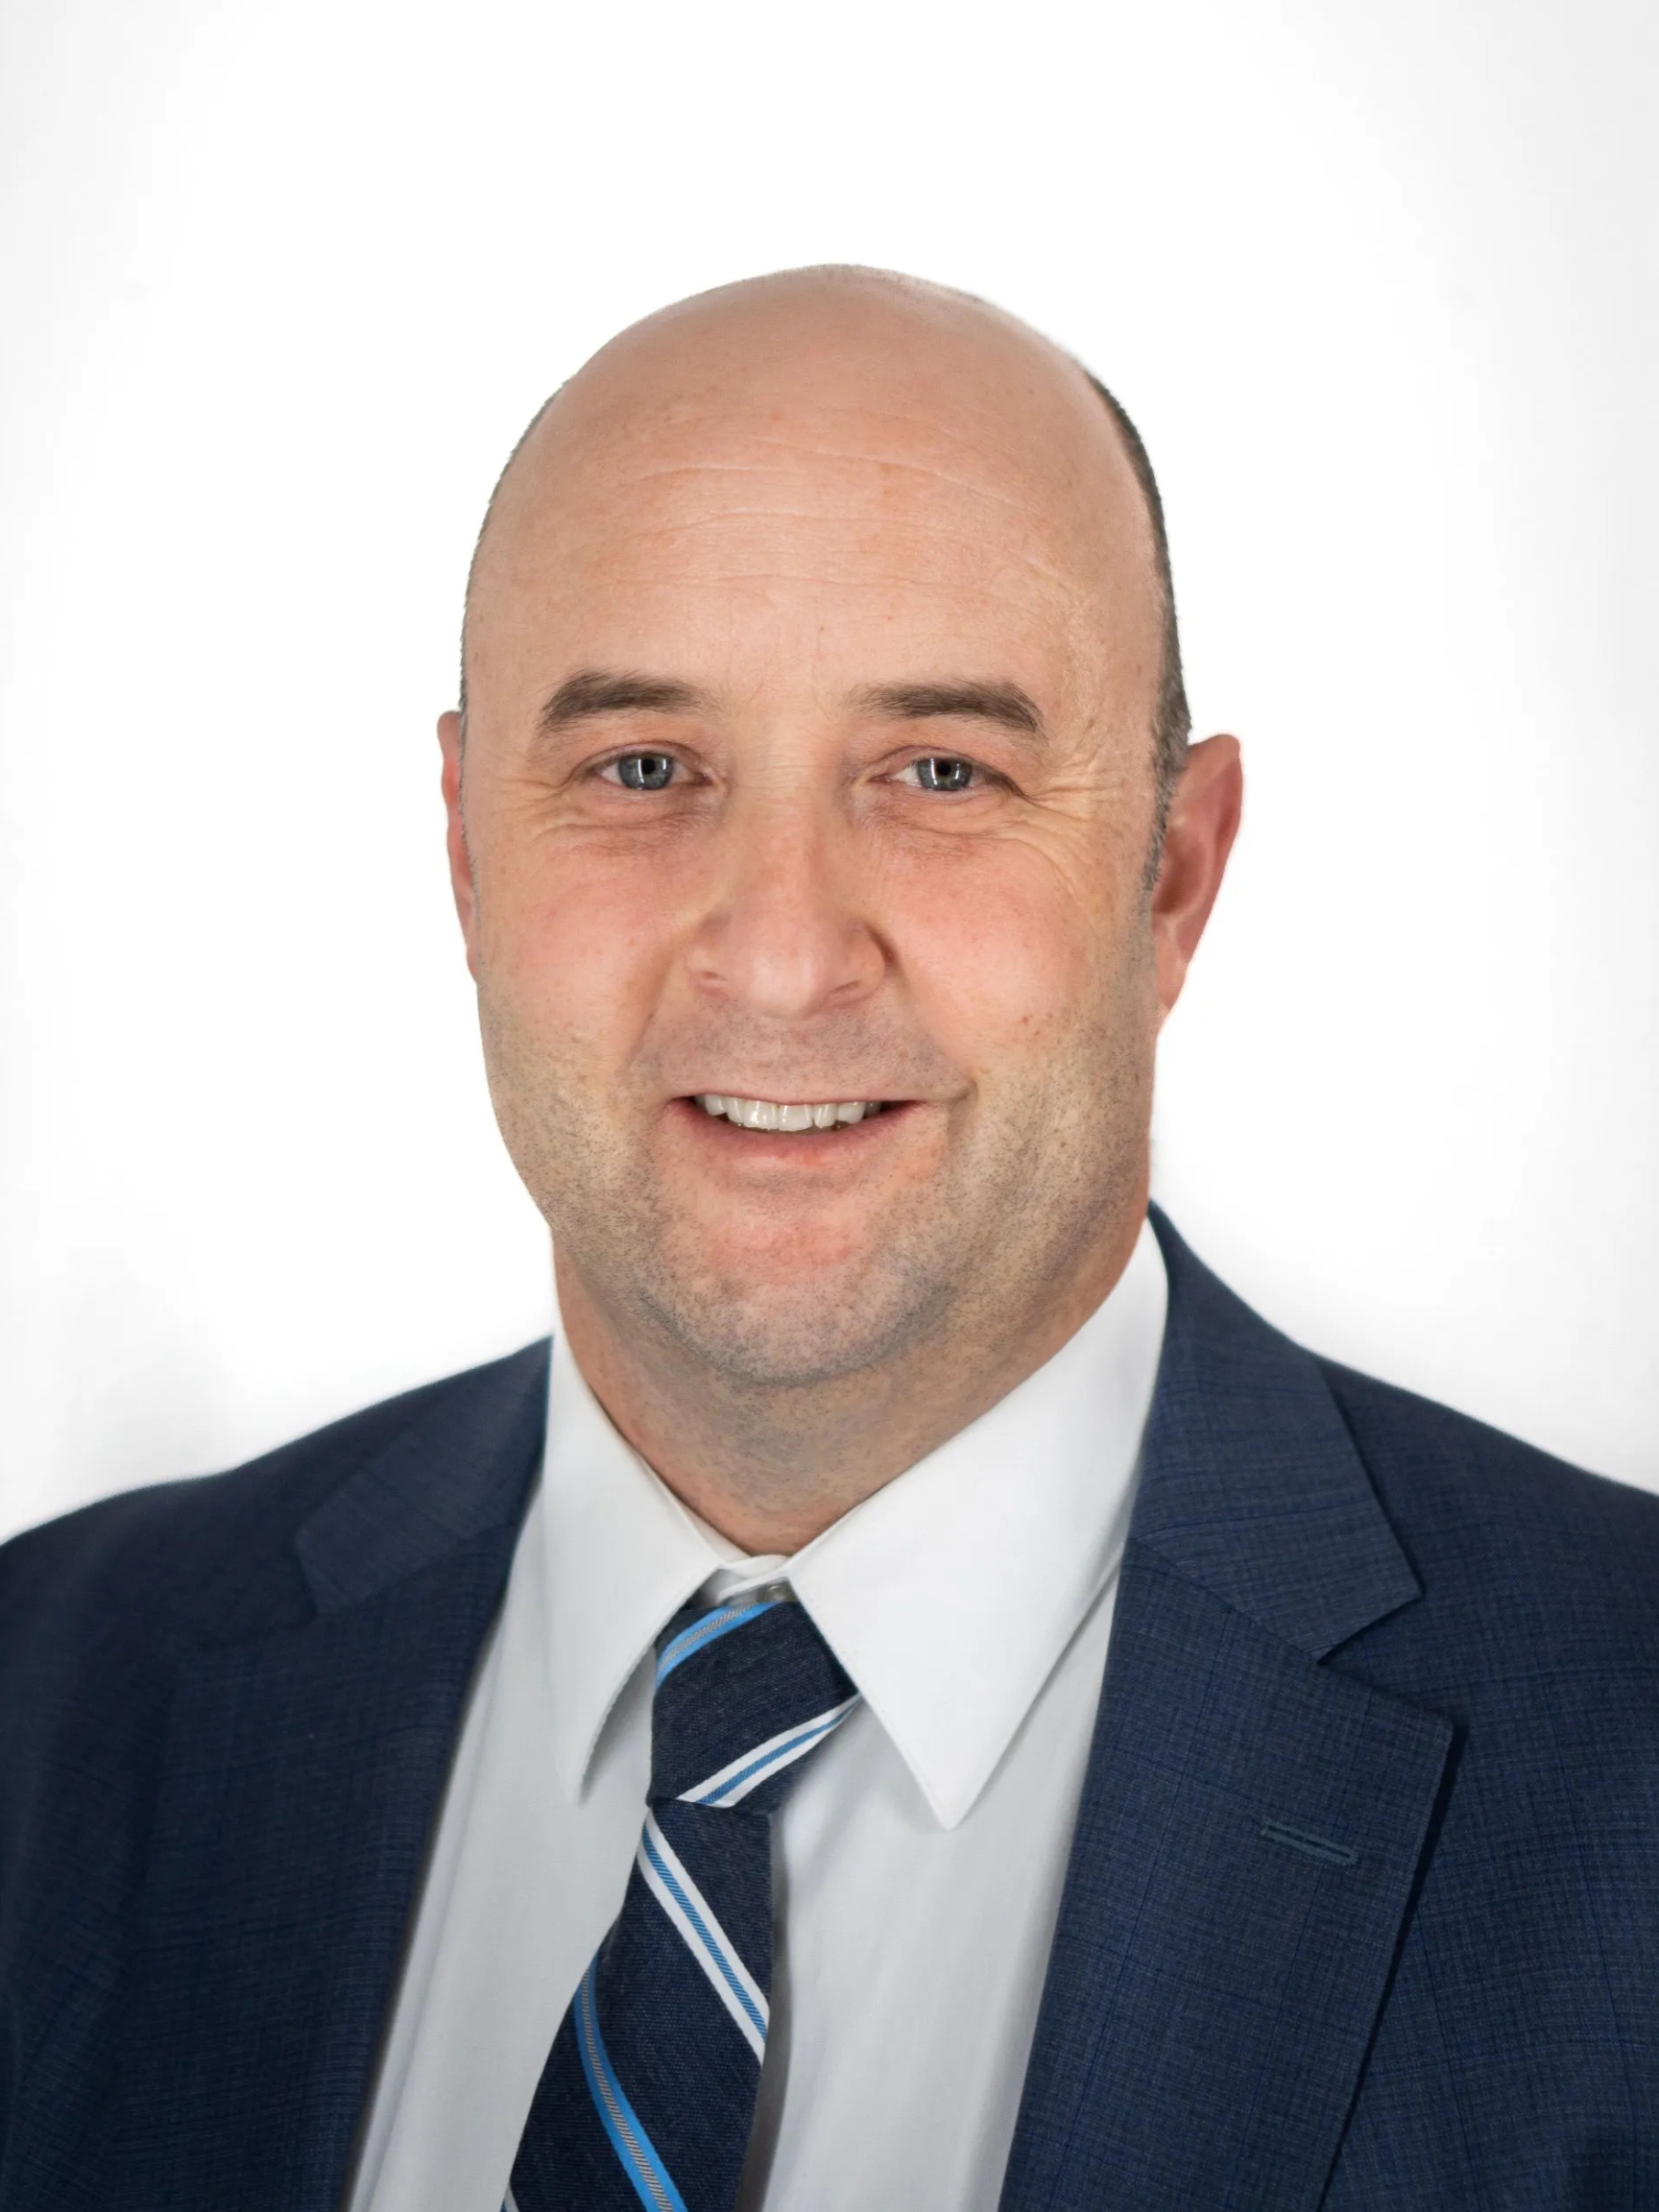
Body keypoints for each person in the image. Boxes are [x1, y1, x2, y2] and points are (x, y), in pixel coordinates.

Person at [1, 266, 1655, 2212]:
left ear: (1174, 878)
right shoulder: (48, 1704)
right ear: (467, 855)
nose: (783, 955)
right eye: (641, 772)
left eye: (940, 773)